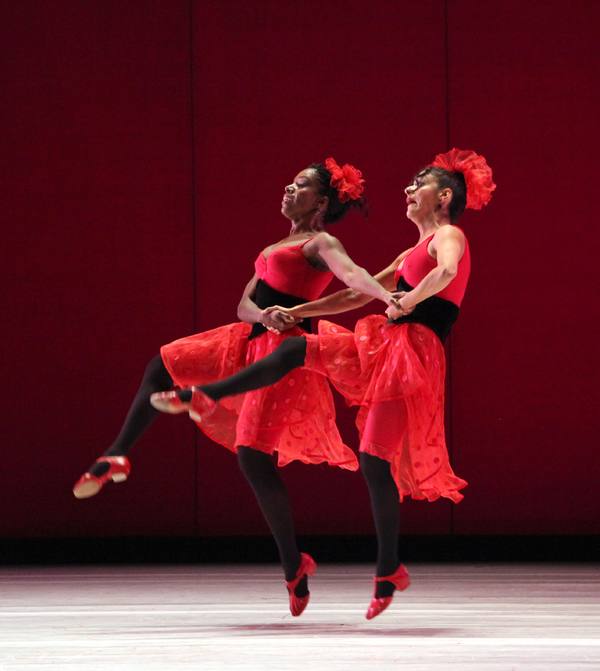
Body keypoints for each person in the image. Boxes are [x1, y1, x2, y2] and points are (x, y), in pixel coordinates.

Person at [152, 149, 496, 619]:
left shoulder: (449, 235)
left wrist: (410, 299)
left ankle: (389, 568)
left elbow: (448, 271)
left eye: (419, 183)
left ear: (445, 197)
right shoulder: (409, 251)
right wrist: (299, 313)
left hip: (411, 356)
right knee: (296, 348)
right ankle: (210, 393)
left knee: (376, 460)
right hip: (383, 345)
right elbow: (355, 292)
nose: (408, 189)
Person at [74, 158, 400, 617]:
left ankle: (293, 564)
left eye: (300, 185)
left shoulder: (320, 241)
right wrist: (260, 314)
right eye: (289, 181)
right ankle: (118, 453)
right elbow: (245, 303)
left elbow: (351, 278)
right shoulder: (274, 245)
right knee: (163, 363)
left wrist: (386, 296)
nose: (288, 187)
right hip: (244, 340)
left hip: (283, 355)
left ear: (321, 202)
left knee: (252, 456)